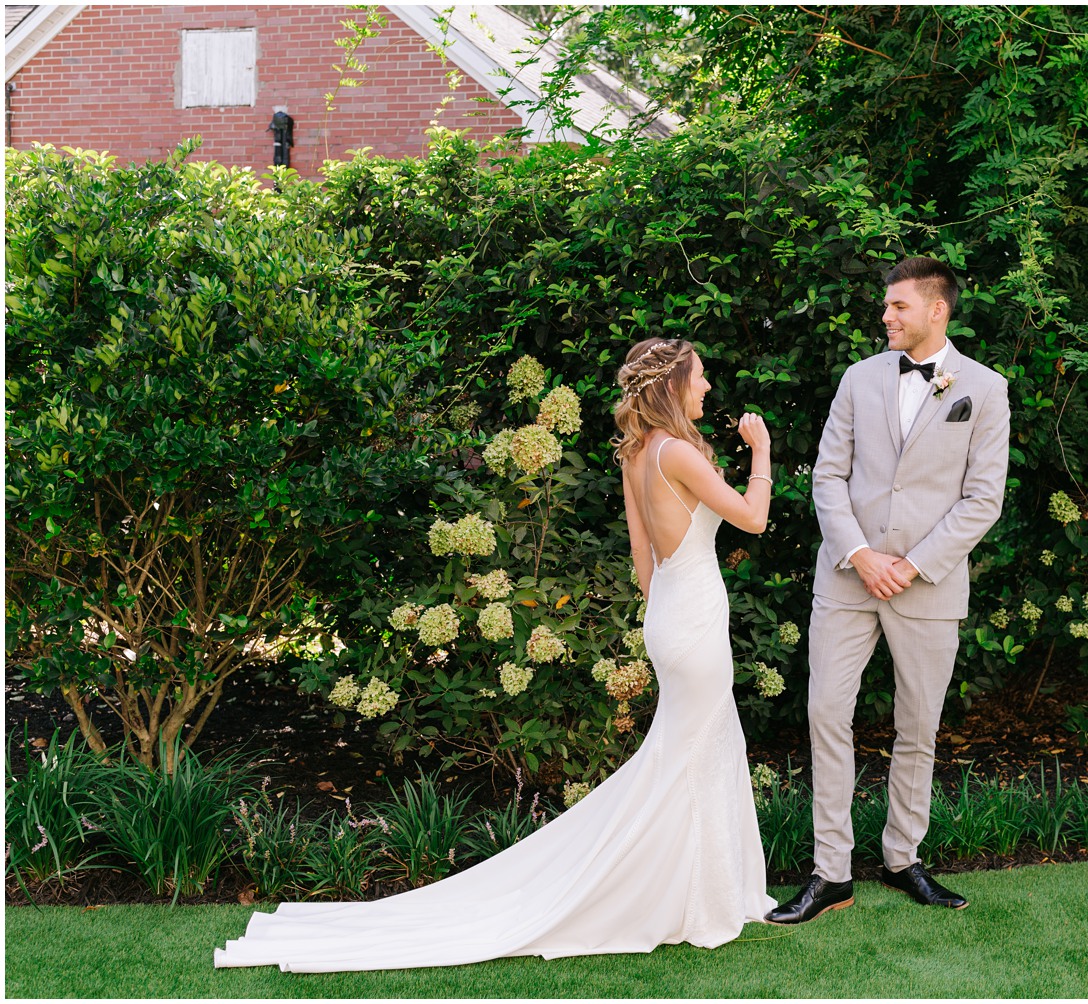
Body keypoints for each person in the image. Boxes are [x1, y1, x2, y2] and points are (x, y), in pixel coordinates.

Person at [215, 337, 777, 972]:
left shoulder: (639, 453)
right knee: (691, 755)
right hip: (695, 616)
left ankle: (698, 894)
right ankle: (689, 900)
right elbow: (754, 519)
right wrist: (759, 451)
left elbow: (643, 563)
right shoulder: (676, 452)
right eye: (700, 378)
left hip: (671, 613)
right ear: (674, 387)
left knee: (688, 753)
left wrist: (673, 607)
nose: (706, 387)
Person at [767, 257, 1010, 924]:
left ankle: (904, 858)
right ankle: (831, 873)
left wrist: (911, 565)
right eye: (886, 305)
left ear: (938, 310)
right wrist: (860, 554)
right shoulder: (858, 378)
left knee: (919, 726)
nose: (886, 316)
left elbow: (983, 499)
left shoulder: (985, 390)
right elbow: (827, 478)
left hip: (927, 587)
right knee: (825, 714)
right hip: (848, 576)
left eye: (898, 305)